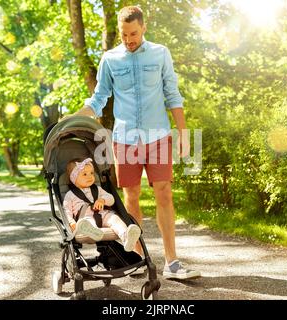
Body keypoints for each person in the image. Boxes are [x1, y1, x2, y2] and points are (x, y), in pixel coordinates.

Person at [76, 6, 200, 280]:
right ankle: (139, 258)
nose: (129, 39)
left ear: (144, 27)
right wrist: (77, 116)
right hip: (126, 139)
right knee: (131, 196)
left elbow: (173, 94)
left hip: (158, 136)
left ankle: (172, 262)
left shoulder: (160, 53)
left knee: (164, 193)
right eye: (124, 35)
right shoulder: (110, 59)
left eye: (133, 33)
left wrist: (183, 134)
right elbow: (99, 98)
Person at [63, 157, 141, 252]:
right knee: (87, 223)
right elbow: (66, 211)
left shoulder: (97, 189)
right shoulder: (70, 195)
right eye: (84, 174)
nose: (90, 176)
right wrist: (71, 222)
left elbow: (111, 199)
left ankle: (127, 238)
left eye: (92, 173)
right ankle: (94, 231)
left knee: (115, 219)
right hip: (85, 218)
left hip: (103, 215)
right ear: (73, 178)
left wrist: (103, 200)